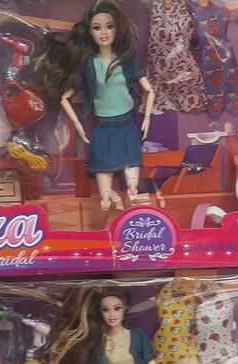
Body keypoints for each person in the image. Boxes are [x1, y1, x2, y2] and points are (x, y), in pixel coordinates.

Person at [34, 0, 155, 211]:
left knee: (132, 171)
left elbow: (150, 90)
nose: (104, 32)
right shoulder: (89, 66)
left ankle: (131, 194)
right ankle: (108, 198)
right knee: (103, 175)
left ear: (117, 29)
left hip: (127, 125)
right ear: (90, 32)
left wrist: (147, 117)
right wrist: (77, 125)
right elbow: (64, 97)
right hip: (103, 127)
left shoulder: (126, 62)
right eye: (97, 28)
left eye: (109, 26)